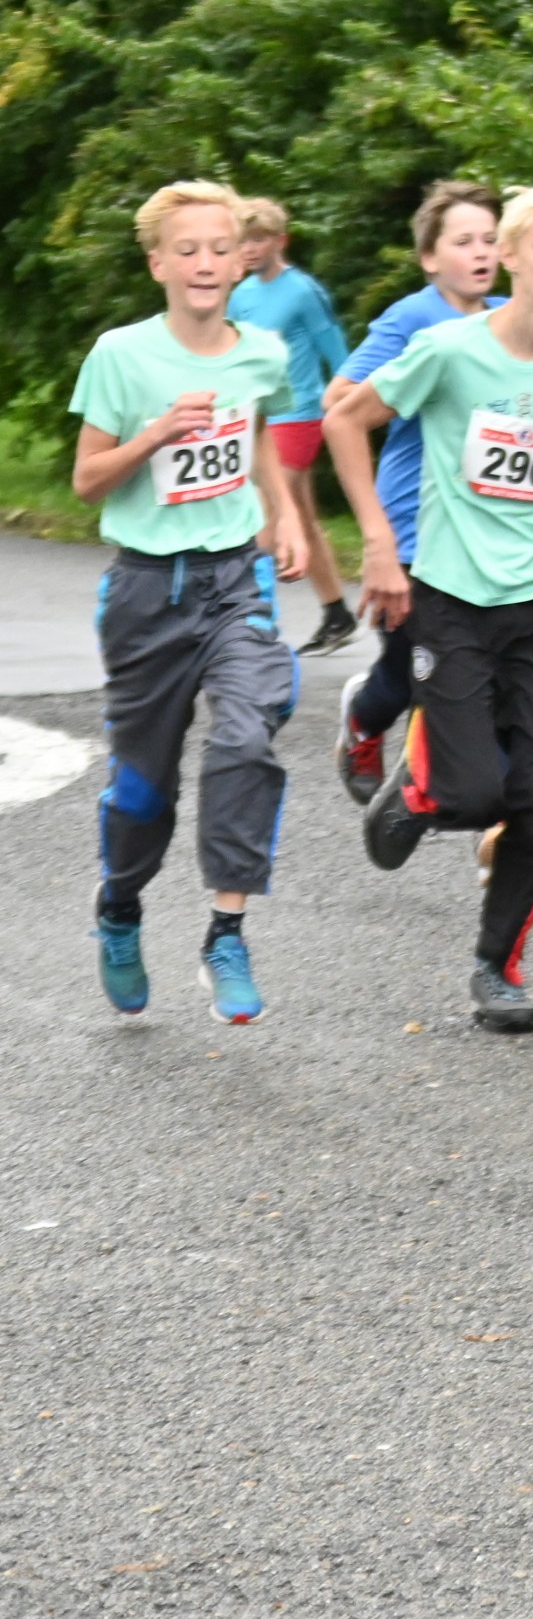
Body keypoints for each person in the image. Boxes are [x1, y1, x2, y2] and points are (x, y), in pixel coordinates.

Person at [324, 184, 533, 1035]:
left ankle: (497, 969)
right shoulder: (448, 349)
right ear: (513, 256)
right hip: (452, 598)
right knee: (471, 791)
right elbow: (345, 420)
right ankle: (421, 793)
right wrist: (379, 544)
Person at [67, 179, 309, 1023]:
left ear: (242, 261)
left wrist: (284, 516)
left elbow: (260, 435)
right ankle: (119, 907)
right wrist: (157, 434)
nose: (205, 262)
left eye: (220, 248)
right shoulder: (121, 355)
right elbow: (87, 479)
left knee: (248, 734)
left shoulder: (262, 351)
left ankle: (225, 934)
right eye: (188, 249)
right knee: (144, 795)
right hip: (145, 590)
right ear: (158, 264)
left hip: (235, 578)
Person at [320, 179, 506, 808]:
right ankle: (363, 721)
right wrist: (422, 393)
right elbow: (338, 400)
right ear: (430, 257)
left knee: (481, 669)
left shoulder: (513, 319)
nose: (480, 252)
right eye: (463, 241)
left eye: (490, 239)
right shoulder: (413, 318)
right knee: (406, 673)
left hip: (482, 529)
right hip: (412, 524)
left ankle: (456, 791)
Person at [228, 198, 356, 653]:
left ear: (281, 241)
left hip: (300, 414)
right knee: (299, 516)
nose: (249, 248)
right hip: (259, 418)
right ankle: (337, 613)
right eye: (243, 240)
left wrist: (347, 407)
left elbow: (338, 353)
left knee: (266, 517)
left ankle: (248, 623)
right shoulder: (240, 295)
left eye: (259, 239)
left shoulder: (303, 291)